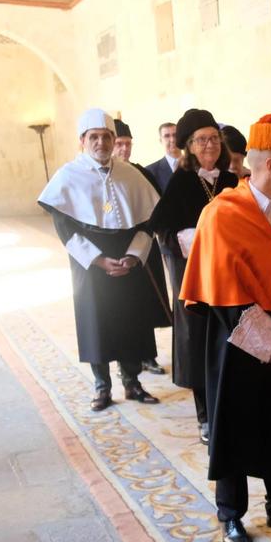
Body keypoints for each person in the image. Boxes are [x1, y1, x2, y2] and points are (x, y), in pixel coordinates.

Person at [179, 114, 271, 542]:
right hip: (236, 343)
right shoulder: (221, 213)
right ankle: (231, 514)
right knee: (233, 425)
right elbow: (223, 295)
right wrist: (269, 340)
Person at [37, 108, 170, 411]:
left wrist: (135, 256)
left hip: (127, 261)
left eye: (106, 136)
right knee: (96, 324)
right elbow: (65, 227)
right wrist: (97, 260)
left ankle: (133, 383)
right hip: (91, 265)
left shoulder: (131, 174)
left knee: (131, 323)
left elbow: (147, 224)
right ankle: (102, 387)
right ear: (82, 140)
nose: (101, 143)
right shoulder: (68, 176)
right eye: (93, 137)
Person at [149, 108, 238, 444]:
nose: (209, 145)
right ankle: (205, 418)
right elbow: (161, 228)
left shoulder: (231, 180)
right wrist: (189, 238)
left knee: (230, 344)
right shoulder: (182, 181)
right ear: (189, 146)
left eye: (214, 138)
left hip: (231, 279)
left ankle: (228, 412)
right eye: (201, 140)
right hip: (195, 280)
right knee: (201, 345)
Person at [113, 117, 169, 376]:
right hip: (115, 250)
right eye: (120, 144)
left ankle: (149, 357)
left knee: (146, 302)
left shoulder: (141, 172)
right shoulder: (104, 175)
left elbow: (158, 206)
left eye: (128, 144)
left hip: (144, 247)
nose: (125, 149)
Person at [145, 122, 182, 191]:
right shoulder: (150, 171)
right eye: (167, 136)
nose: (172, 140)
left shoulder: (195, 165)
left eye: (175, 135)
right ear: (160, 141)